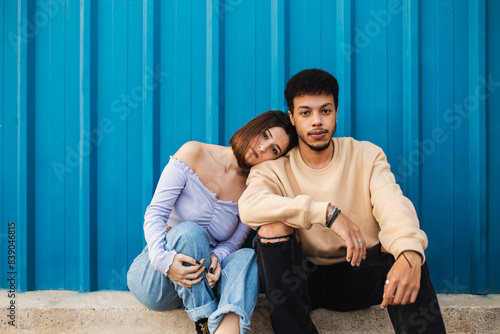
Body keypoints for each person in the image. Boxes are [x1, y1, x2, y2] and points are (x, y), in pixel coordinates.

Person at [239, 69, 447, 334]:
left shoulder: (366, 155)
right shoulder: (272, 169)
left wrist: (409, 253)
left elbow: (393, 205)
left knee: (407, 252)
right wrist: (325, 212)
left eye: (325, 111)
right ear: (292, 118)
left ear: (336, 111)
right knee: (271, 230)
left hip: (359, 275)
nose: (316, 121)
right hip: (300, 282)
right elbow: (249, 207)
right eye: (305, 113)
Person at [127, 110, 298, 334]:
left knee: (248, 256)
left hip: (205, 282)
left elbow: (234, 243)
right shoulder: (194, 152)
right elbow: (155, 213)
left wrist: (216, 258)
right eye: (265, 135)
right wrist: (165, 262)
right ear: (253, 127)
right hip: (158, 278)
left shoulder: (253, 188)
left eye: (274, 150)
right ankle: (204, 320)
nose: (263, 148)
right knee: (190, 232)